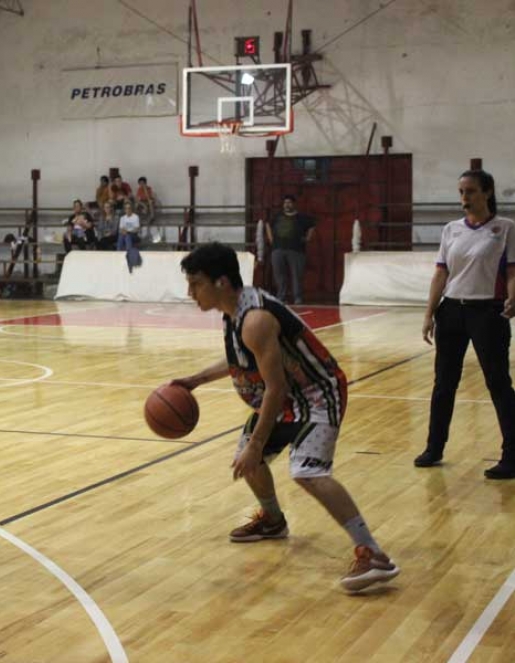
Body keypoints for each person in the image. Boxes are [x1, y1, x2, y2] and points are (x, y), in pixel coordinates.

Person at [173, 242, 399, 592]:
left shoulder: (256, 320)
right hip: (286, 396)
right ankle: (273, 521)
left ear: (221, 282)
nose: (190, 292)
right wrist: (196, 380)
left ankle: (373, 552)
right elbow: (242, 362)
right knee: (248, 461)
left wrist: (257, 443)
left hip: (317, 394)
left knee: (307, 471)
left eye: (196, 283)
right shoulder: (235, 310)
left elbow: (276, 389)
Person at [415, 170, 515, 479]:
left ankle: (512, 455)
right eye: (461, 192)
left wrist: (513, 298)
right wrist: (429, 313)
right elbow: (440, 274)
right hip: (452, 313)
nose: (464, 198)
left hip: (488, 313)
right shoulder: (451, 230)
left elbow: (512, 271)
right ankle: (434, 448)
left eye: (470, 191)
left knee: (498, 383)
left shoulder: (506, 228)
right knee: (444, 384)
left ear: (487, 192)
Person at [266, 194, 315, 304]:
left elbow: (312, 226)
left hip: (296, 250)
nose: (287, 205)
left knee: (297, 276)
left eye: (289, 202)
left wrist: (308, 238)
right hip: (278, 249)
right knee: (279, 275)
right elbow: (268, 224)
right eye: (285, 203)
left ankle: (297, 298)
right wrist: (271, 239)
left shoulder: (302, 217)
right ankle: (281, 297)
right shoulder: (277, 216)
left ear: (294, 204)